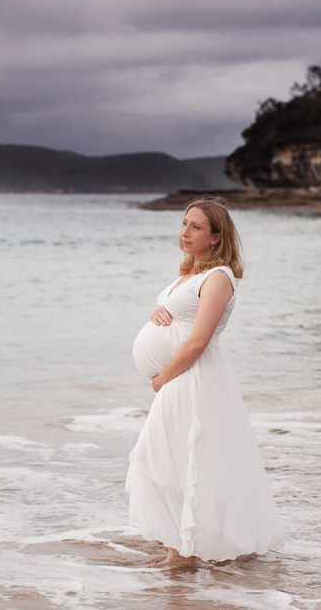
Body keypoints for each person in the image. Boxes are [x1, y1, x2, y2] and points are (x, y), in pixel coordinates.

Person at [126, 197, 284, 567]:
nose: (185, 231)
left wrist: (164, 376)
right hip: (179, 379)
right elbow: (177, 313)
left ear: (216, 237)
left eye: (195, 226)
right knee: (166, 460)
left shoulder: (219, 277)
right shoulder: (191, 274)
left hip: (190, 378)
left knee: (179, 461)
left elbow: (199, 340)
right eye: (184, 223)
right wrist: (156, 308)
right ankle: (180, 550)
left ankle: (184, 554)